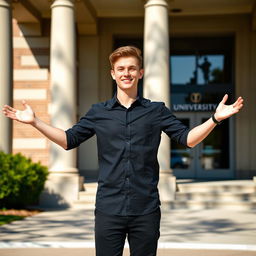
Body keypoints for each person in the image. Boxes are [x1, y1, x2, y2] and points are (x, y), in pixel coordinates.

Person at [2, 46, 243, 256]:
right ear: (113, 74)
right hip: (109, 208)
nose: (126, 73)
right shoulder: (98, 112)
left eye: (131, 68)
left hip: (145, 209)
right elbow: (68, 140)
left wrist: (214, 119)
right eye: (120, 69)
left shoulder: (156, 111)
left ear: (140, 73)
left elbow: (187, 139)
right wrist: (35, 122)